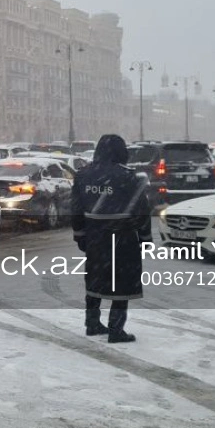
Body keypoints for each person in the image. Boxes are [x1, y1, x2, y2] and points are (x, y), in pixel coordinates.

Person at [69, 134, 151, 343]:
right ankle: (116, 329)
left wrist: (80, 234)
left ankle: (92, 323)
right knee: (122, 282)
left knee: (95, 280)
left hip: (95, 236)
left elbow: (76, 208)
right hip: (123, 236)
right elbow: (141, 209)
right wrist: (145, 237)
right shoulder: (129, 177)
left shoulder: (83, 175)